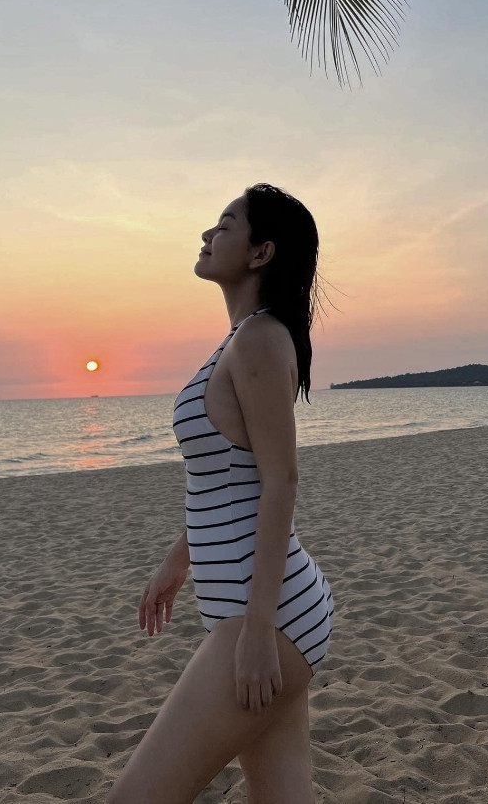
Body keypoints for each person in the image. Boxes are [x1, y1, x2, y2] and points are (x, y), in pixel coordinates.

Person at [107, 183, 334, 804]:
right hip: (267, 614)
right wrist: (177, 561)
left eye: (225, 224)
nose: (208, 235)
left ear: (261, 253)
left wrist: (258, 631)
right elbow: (228, 480)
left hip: (264, 619)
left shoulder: (259, 339)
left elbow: (281, 481)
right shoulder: (243, 339)